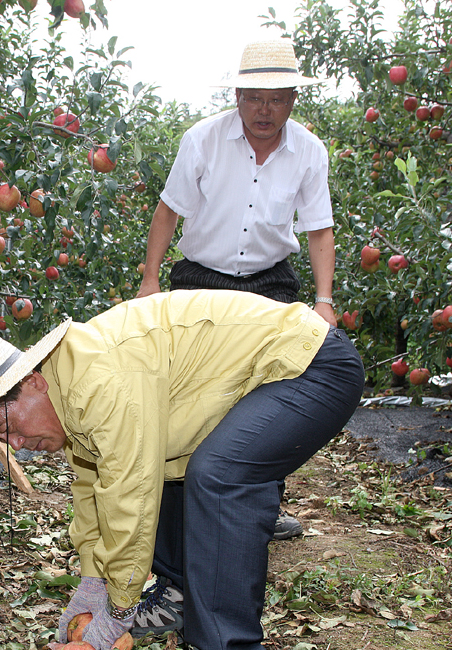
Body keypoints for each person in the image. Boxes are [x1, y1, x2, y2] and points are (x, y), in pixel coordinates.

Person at [0, 290, 364, 650]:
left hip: (311, 366)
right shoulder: (69, 388)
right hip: (264, 378)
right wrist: (92, 580)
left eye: (7, 429)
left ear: (33, 382)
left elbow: (129, 497)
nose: (15, 445)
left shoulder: (98, 380)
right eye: (0, 440)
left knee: (217, 476)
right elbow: (93, 489)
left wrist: (118, 607)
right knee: (169, 466)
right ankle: (179, 592)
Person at [140, 38, 337, 546]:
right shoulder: (202, 140)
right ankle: (181, 507)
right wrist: (151, 278)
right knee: (189, 392)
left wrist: (323, 300)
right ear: (236, 95)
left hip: (270, 281)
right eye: (253, 97)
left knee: (271, 394)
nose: (263, 110)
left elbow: (319, 230)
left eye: (275, 98)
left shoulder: (310, 152)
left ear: (294, 98)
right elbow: (168, 211)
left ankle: (264, 507)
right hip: (201, 277)